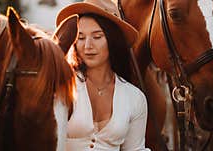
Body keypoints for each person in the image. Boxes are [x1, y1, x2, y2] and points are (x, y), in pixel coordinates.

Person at [56, 0, 150, 150]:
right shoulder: (62, 87)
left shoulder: (134, 97)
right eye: (80, 38)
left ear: (113, 40)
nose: (87, 46)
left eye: (97, 37)